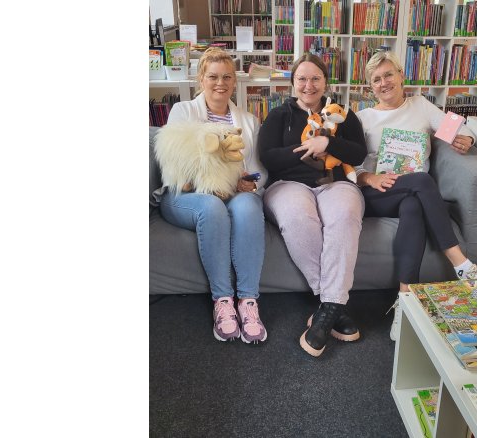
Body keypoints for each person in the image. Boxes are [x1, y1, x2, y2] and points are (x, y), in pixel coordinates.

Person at [354, 51, 478, 341]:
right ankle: (461, 263)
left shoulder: (421, 106)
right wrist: (370, 177)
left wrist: (469, 137)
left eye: (388, 75)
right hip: (378, 193)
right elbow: (353, 166)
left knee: (413, 205)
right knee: (422, 181)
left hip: (412, 195)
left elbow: (461, 126)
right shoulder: (362, 118)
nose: (384, 83)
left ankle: (404, 302)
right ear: (369, 87)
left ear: (400, 75)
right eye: (376, 79)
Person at [257, 54, 368, 357]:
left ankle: (326, 310)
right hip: (288, 184)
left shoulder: (343, 115)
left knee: (345, 215)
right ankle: (334, 305)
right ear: (293, 83)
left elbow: (358, 153)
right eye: (302, 79)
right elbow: (268, 156)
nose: (309, 85)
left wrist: (329, 144)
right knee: (296, 216)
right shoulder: (279, 115)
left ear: (325, 82)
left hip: (335, 183)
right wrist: (307, 148)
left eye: (315, 78)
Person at [155, 48, 268, 344]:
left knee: (248, 207)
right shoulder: (183, 111)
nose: (221, 83)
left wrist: (250, 183)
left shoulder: (248, 120)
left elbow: (257, 169)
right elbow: (174, 162)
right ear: (201, 79)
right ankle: (223, 301)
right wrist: (199, 180)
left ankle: (248, 302)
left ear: (235, 82)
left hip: (232, 191)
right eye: (213, 76)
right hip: (187, 194)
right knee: (212, 207)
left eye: (227, 77)